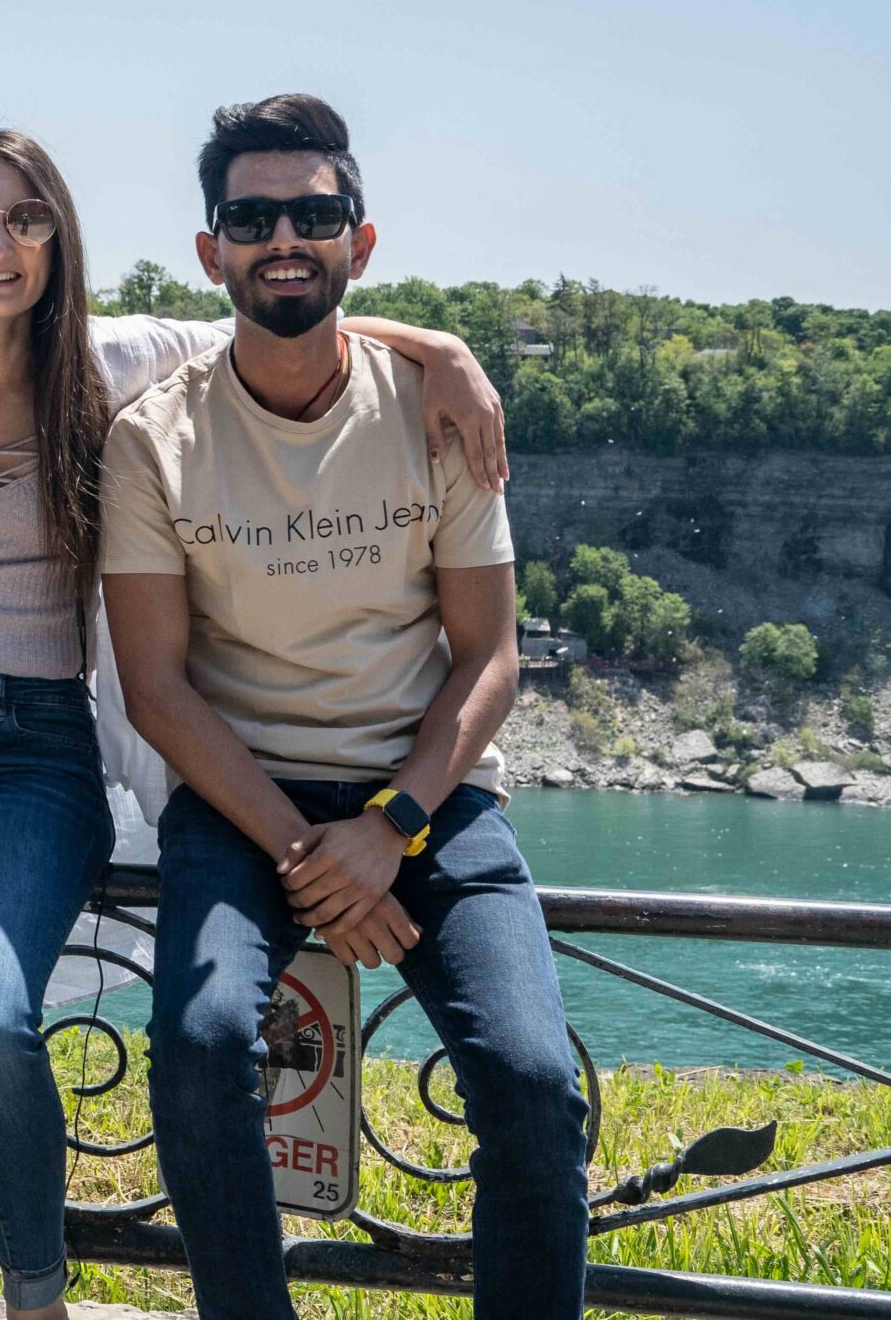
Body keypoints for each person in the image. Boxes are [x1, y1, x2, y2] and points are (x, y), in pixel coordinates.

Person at [0, 129, 508, 1320]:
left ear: (59, 241)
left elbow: (280, 319)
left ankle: (35, 1295)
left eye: (24, 219)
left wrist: (442, 350)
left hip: (38, 747)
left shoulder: (110, 365)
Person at [99, 94, 587, 1320]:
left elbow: (489, 657)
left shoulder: (436, 415)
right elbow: (156, 687)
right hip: (240, 799)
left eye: (314, 215)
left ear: (358, 245)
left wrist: (392, 827)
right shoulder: (151, 442)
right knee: (202, 1048)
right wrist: (309, 856)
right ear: (209, 251)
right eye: (252, 216)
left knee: (532, 1082)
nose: (284, 238)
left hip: (428, 799)